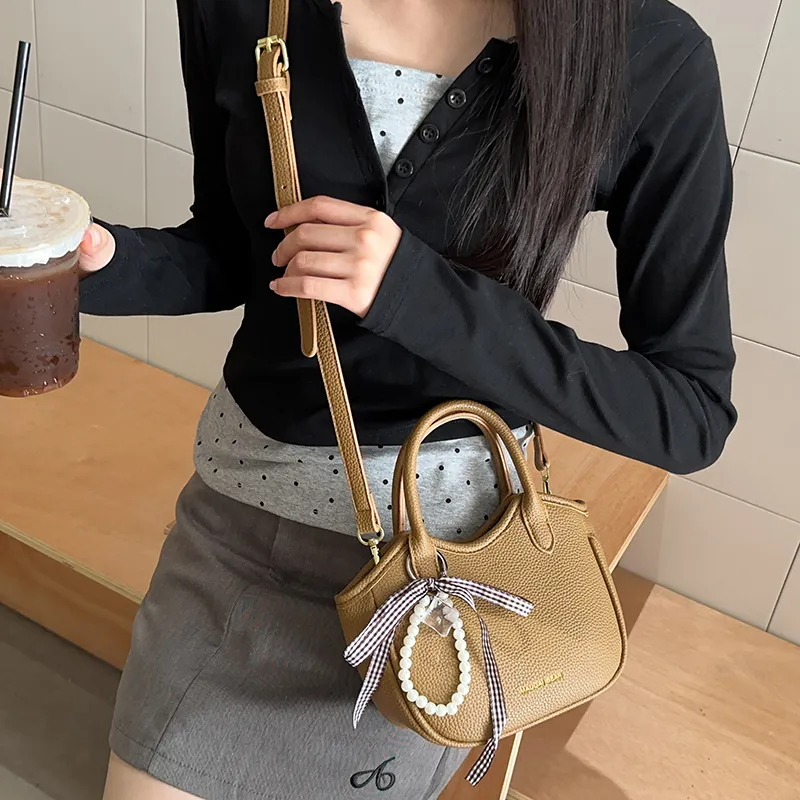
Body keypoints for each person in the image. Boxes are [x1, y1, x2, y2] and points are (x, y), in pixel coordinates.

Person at [85, 0, 737, 797]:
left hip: (445, 582)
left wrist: (418, 293)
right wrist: (90, 264)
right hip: (235, 546)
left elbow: (687, 410)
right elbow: (234, 251)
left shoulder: (646, 52)